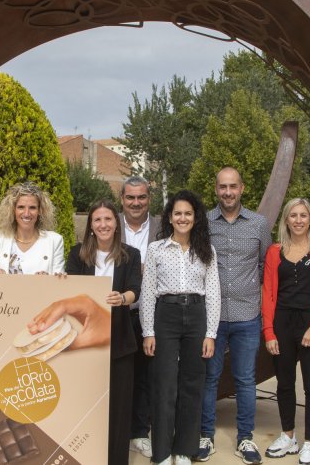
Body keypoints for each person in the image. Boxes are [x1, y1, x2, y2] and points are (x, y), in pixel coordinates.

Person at [141, 190, 221, 465]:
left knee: (192, 384)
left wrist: (211, 334)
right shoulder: (156, 249)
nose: (183, 218)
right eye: (178, 213)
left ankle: (184, 450)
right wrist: (148, 331)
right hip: (166, 315)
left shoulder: (206, 250)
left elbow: (213, 293)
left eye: (188, 213)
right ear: (170, 218)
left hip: (197, 315)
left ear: (196, 217)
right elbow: (148, 292)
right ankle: (162, 452)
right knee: (164, 384)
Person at [199, 167, 272, 464]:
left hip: (246, 315)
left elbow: (266, 264)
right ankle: (206, 435)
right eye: (222, 187)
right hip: (211, 317)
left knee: (245, 379)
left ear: (242, 188)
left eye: (232, 187)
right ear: (216, 189)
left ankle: (245, 438)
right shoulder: (203, 222)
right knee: (210, 379)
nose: (227, 192)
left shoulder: (259, 224)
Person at [65, 199, 143, 465]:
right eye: (97, 220)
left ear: (116, 223)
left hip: (120, 340)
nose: (103, 225)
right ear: (90, 226)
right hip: (86, 342)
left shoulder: (131, 254)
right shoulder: (77, 254)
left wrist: (122, 298)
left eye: (108, 219)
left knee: (119, 411)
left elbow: (136, 289)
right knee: (87, 406)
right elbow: (70, 292)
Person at [262, 199, 310, 465]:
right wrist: (269, 331)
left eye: (304, 215)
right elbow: (268, 293)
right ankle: (288, 435)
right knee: (284, 383)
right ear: (286, 220)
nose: (299, 220)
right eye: (293, 215)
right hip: (282, 323)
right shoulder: (274, 251)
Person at [120, 176, 157, 459]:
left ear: (149, 199)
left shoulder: (161, 228)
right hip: (118, 313)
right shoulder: (107, 224)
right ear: (122, 199)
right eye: (130, 198)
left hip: (152, 315)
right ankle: (117, 431)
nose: (136, 203)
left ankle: (139, 432)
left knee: (146, 376)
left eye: (141, 197)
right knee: (119, 377)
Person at [0, 181, 65, 275]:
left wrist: (49, 279)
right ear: (13, 210)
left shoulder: (54, 241)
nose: (26, 213)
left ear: (40, 211)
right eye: (21, 207)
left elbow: (58, 282)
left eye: (32, 208)